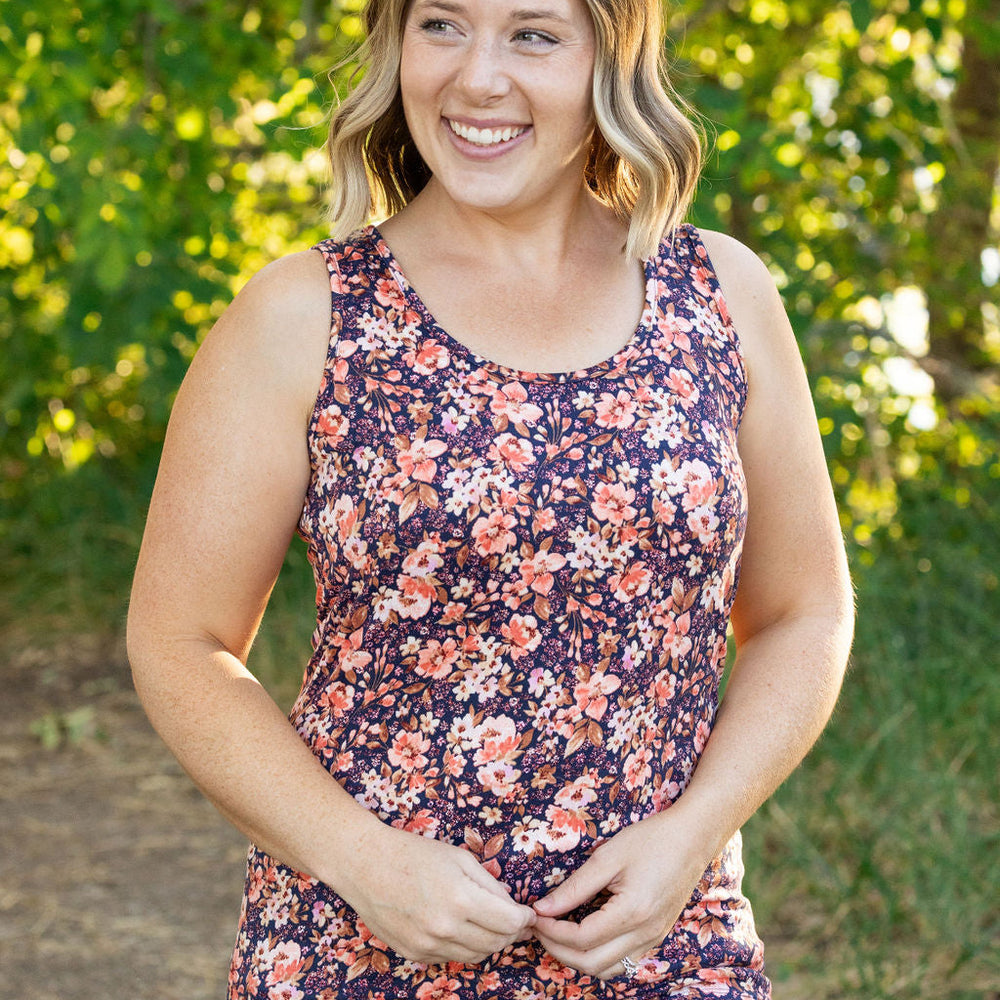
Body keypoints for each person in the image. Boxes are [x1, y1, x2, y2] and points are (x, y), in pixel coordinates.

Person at [127, 0, 854, 996]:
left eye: (532, 33)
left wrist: (694, 833)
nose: (475, 77)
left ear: (612, 53)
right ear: (394, 46)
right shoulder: (305, 316)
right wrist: (362, 860)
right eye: (440, 25)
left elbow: (803, 612)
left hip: (661, 946)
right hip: (361, 951)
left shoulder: (718, 295)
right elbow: (179, 643)